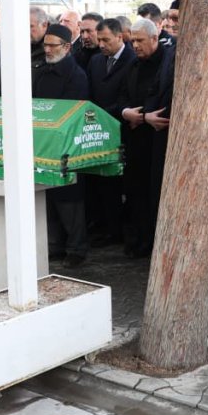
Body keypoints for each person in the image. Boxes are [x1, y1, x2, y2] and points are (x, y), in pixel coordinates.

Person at [34, 24, 90, 267]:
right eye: (45, 44)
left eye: (52, 45)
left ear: (67, 47)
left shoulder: (76, 75)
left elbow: (74, 111)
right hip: (43, 141)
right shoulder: (40, 70)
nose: (47, 49)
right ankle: (55, 244)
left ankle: (76, 248)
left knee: (69, 199)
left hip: (66, 143)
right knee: (48, 196)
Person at [117, 20, 171, 257]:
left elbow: (165, 99)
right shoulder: (133, 65)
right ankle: (138, 240)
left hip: (158, 140)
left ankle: (154, 242)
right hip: (135, 138)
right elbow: (122, 97)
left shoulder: (168, 62)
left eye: (140, 41)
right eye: (133, 41)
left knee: (155, 194)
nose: (135, 46)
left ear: (154, 38)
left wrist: (146, 116)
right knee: (135, 192)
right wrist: (126, 112)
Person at [84, 18, 135, 245]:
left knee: (118, 184)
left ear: (119, 37)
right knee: (100, 182)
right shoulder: (96, 60)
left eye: (106, 40)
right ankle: (103, 225)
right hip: (98, 130)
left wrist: (105, 114)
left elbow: (129, 96)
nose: (101, 44)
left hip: (122, 129)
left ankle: (118, 230)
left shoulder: (132, 60)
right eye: (99, 40)